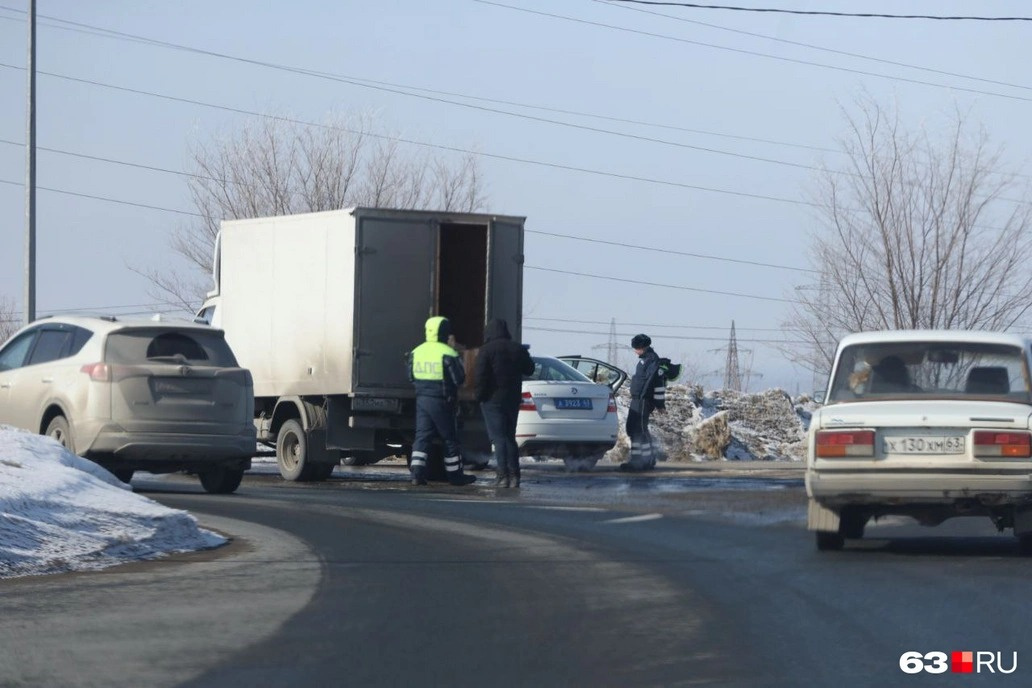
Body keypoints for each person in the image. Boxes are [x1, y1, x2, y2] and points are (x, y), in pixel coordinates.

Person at [406, 316, 476, 486]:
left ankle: (416, 474)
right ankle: (455, 476)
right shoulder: (448, 353)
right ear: (444, 332)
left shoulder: (416, 351)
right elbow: (459, 379)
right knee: (449, 439)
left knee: (422, 437)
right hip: (442, 401)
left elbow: (410, 377)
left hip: (422, 400)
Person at [474, 319, 535, 488]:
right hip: (512, 399)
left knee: (498, 438)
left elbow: (480, 376)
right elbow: (530, 369)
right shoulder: (517, 348)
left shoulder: (486, 350)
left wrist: (479, 396)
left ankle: (502, 476)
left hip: (492, 400)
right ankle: (515, 476)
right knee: (509, 437)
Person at [621, 333, 666, 472]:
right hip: (637, 400)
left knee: (640, 429)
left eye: (636, 348)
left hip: (644, 400)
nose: (635, 351)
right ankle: (636, 460)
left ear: (643, 347)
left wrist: (660, 404)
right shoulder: (643, 360)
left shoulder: (653, 360)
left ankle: (647, 460)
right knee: (632, 429)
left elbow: (659, 385)